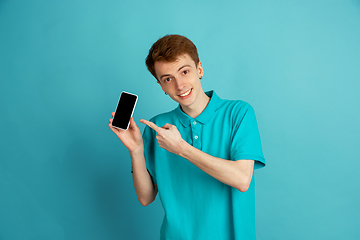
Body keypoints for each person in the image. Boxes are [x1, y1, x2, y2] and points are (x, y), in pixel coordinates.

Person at [109, 34, 266, 240]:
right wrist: (136, 150)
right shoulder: (158, 127)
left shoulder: (239, 113)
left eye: (184, 72)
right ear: (161, 85)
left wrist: (182, 148)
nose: (180, 85)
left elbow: (241, 179)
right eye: (168, 79)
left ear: (199, 69)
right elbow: (146, 197)